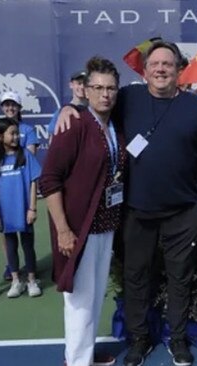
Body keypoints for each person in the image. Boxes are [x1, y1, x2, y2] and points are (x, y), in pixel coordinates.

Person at [55, 42, 197, 366]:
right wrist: (68, 107)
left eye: (167, 64)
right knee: (136, 280)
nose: (160, 69)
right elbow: (95, 107)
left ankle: (178, 340)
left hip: (183, 215)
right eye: (154, 64)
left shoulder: (195, 108)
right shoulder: (127, 98)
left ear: (178, 69)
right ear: (144, 71)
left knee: (179, 280)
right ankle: (139, 340)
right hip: (135, 214)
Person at [40, 56, 125, 366]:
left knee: (93, 295)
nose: (105, 94)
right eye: (98, 87)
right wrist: (63, 229)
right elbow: (49, 180)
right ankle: (76, 362)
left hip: (106, 225)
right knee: (78, 301)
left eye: (111, 88)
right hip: (79, 228)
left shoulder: (114, 125)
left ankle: (83, 354)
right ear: (86, 91)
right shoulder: (73, 124)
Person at [0, 118, 42, 298]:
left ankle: (31, 280)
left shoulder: (25, 155)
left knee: (28, 246)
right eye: (11, 134)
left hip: (24, 210)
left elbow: (33, 182)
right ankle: (15, 280)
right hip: (5, 212)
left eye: (17, 134)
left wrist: (32, 208)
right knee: (10, 245)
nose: (15, 137)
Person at [47, 70, 88, 137]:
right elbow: (53, 138)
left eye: (85, 84)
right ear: (71, 85)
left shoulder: (95, 110)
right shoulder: (61, 112)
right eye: (79, 83)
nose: (82, 87)